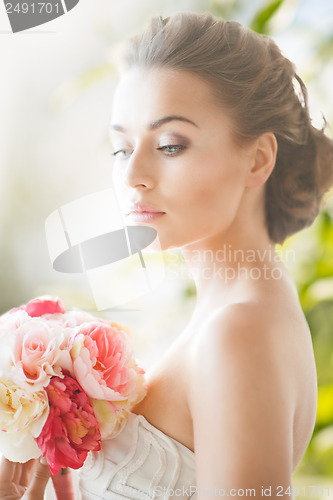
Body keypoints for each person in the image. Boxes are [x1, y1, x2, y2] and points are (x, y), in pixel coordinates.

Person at [1, 10, 333, 500]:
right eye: (121, 148)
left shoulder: (237, 332)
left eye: (170, 145)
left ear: (259, 158)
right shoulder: (236, 317)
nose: (134, 174)